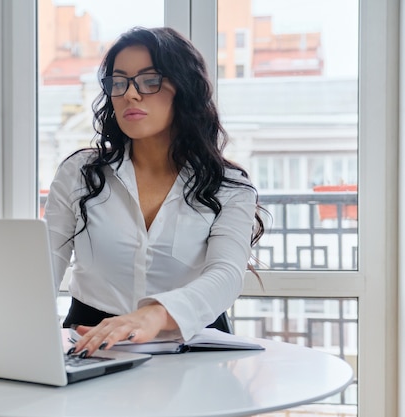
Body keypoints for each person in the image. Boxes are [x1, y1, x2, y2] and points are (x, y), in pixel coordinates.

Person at [43, 26, 265, 357]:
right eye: (118, 83)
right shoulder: (79, 173)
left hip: (192, 343)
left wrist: (155, 314)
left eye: (150, 81)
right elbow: (45, 266)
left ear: (184, 90)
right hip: (91, 339)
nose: (130, 94)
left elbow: (227, 275)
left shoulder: (228, 187)